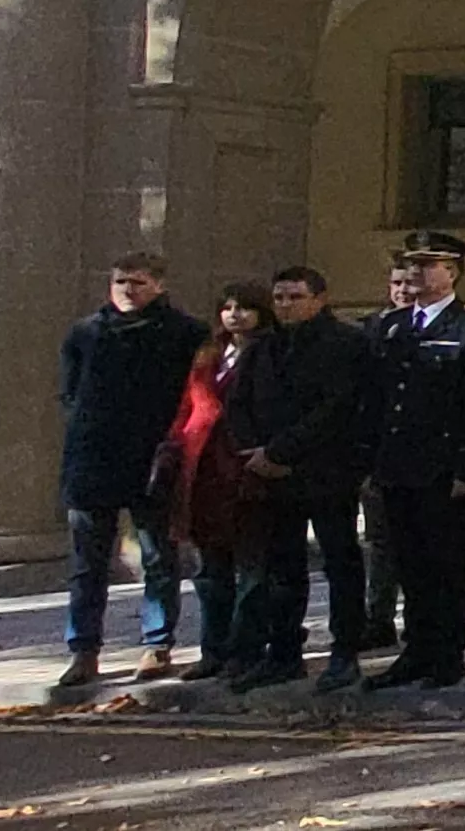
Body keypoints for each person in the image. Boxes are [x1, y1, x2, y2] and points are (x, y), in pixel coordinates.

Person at [362, 231, 465, 689]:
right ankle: (417, 649)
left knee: (446, 562)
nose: (418, 274)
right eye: (414, 265)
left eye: (430, 265)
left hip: (443, 465)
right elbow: (381, 398)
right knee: (408, 562)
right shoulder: (393, 325)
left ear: (453, 272)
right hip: (398, 461)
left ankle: (447, 653)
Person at [55, 251, 208, 688]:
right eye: (120, 281)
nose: (127, 290)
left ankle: (157, 644)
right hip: (92, 458)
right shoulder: (86, 332)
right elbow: (70, 394)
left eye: (137, 282)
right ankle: (83, 650)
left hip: (153, 459)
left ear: (159, 285)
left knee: (158, 556)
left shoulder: (184, 333)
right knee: (88, 563)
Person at [229, 267, 369, 692]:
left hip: (325, 471)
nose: (286, 305)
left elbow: (336, 408)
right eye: (280, 297)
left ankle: (345, 652)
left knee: (340, 562)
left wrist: (281, 452)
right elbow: (238, 405)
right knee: (280, 568)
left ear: (319, 299)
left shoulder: (347, 344)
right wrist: (256, 454)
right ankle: (284, 651)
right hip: (271, 475)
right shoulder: (262, 348)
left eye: (295, 296)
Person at [166, 282, 271, 681]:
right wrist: (173, 446)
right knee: (211, 571)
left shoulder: (268, 352)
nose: (235, 315)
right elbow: (187, 407)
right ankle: (213, 649)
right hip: (203, 473)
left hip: (245, 472)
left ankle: (246, 651)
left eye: (245, 308)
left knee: (251, 570)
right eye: (227, 308)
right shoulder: (208, 355)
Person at [353, 256, 423, 658]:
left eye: (409, 283)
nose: (402, 290)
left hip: (419, 455)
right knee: (379, 542)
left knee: (417, 545)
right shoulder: (369, 330)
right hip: (377, 455)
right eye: (396, 282)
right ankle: (377, 619)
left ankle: (421, 627)